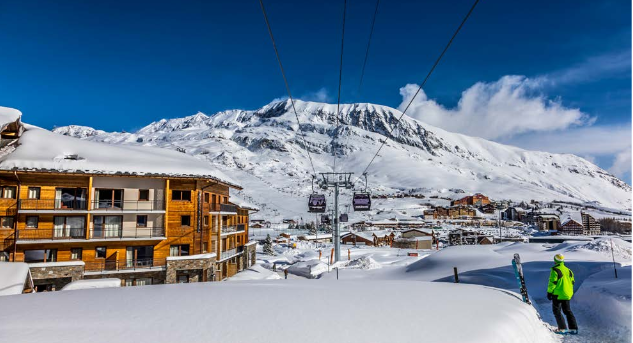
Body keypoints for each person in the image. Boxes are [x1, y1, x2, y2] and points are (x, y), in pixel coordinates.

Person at [547, 254, 578, 335]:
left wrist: (549, 292)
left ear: (555, 261)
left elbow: (552, 282)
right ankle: (573, 329)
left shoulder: (555, 270)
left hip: (557, 294)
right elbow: (573, 282)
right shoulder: (569, 270)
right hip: (567, 294)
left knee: (557, 311)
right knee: (567, 311)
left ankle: (562, 329)